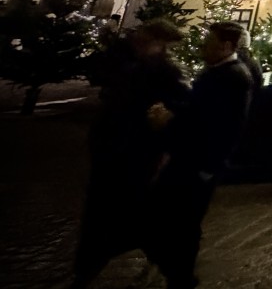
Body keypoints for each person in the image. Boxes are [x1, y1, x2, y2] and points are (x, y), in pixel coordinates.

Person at [72, 19, 192, 289]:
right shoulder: (125, 60)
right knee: (110, 211)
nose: (142, 42)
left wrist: (164, 118)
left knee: (128, 210)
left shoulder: (164, 70)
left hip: (137, 150)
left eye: (150, 40)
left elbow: (181, 103)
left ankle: (159, 261)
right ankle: (88, 266)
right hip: (115, 146)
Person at [142, 21, 254, 289]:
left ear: (225, 46)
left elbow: (214, 125)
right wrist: (171, 110)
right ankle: (175, 270)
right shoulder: (219, 72)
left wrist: (169, 121)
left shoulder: (232, 77)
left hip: (198, 163)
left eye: (209, 42)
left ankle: (180, 276)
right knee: (172, 217)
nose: (203, 47)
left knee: (182, 222)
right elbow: (197, 109)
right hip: (191, 159)